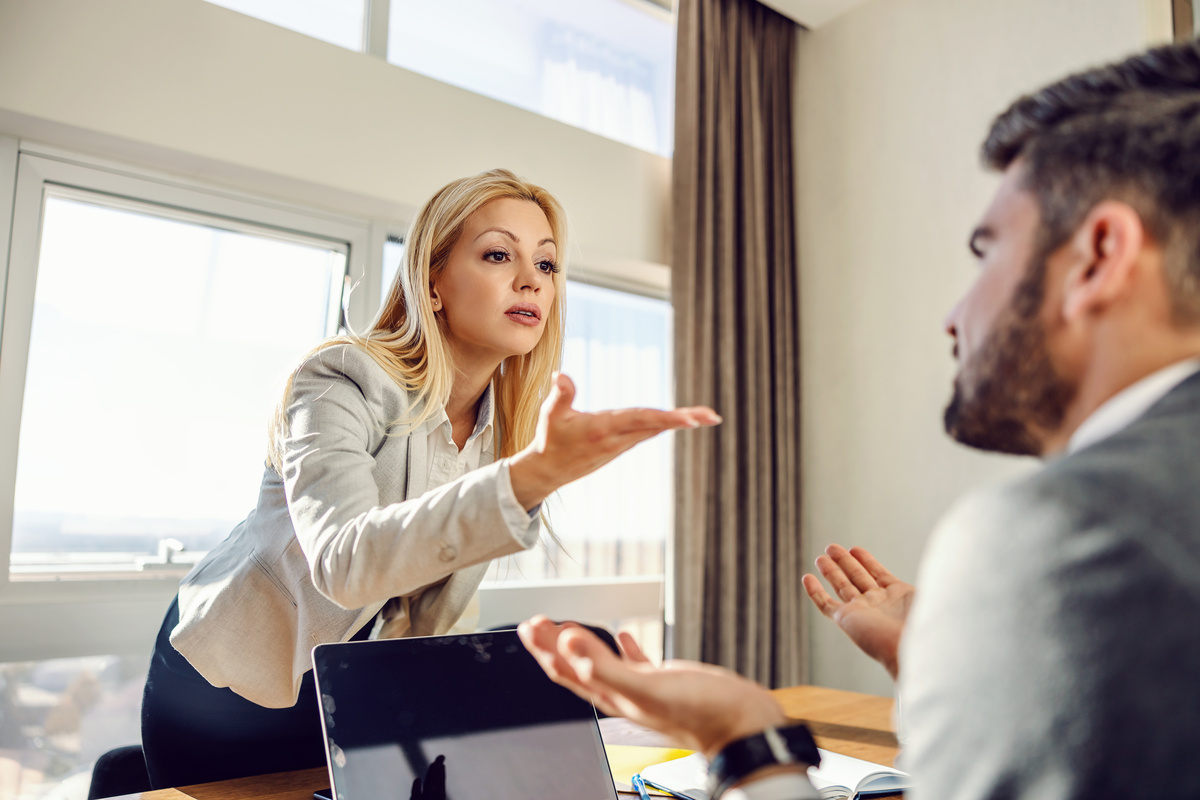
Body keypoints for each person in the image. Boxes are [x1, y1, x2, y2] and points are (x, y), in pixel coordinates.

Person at [521, 39, 1200, 800]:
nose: (954, 317)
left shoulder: (1067, 534)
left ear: (1099, 256)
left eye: (988, 252)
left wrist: (744, 738)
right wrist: (940, 669)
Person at [140, 168, 720, 788]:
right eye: (499, 254)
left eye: (547, 266)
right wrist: (530, 478)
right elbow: (343, 562)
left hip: (349, 693)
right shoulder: (340, 379)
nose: (531, 280)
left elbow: (440, 614)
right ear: (434, 282)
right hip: (223, 690)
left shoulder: (502, 433)